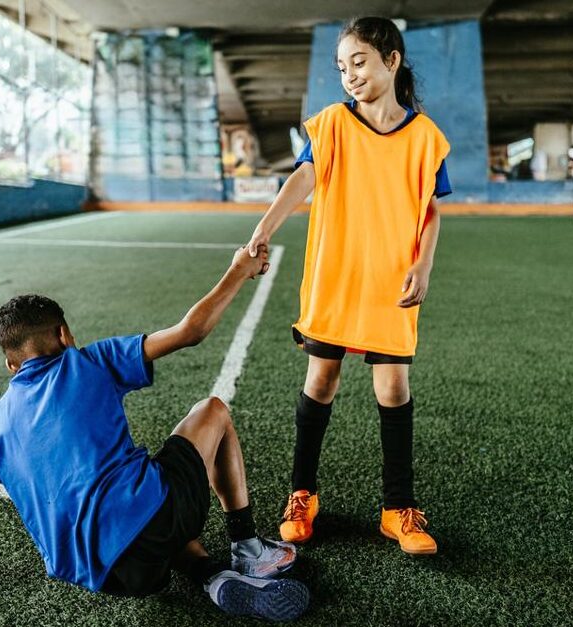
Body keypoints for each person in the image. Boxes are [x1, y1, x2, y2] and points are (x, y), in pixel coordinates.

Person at [0, 246, 309, 622]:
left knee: (134, 520)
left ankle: (211, 576)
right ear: (64, 334)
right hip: (155, 519)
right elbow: (191, 331)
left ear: (10, 365)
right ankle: (247, 547)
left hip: (109, 577)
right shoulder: (87, 361)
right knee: (212, 411)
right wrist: (240, 270)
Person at [246, 17, 451, 555]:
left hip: (392, 280)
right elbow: (304, 178)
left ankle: (397, 510)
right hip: (335, 275)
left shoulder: (426, 137)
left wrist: (424, 264)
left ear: (392, 60)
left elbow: (431, 209)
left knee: (393, 388)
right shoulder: (333, 124)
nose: (350, 75)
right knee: (321, 379)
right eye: (342, 67)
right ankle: (302, 495)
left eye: (359, 62)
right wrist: (263, 229)